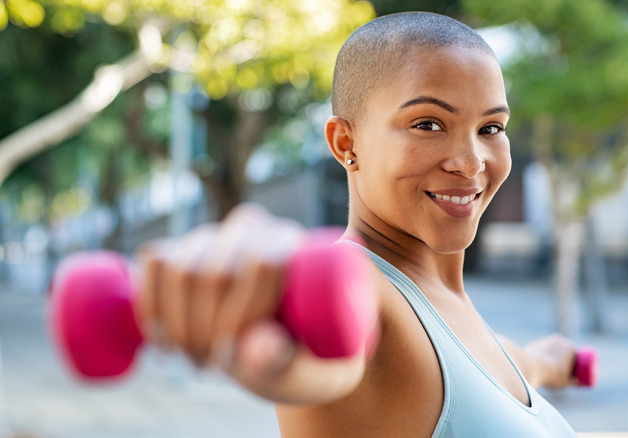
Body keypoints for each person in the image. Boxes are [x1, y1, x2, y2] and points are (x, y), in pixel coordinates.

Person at [137, 11, 580, 437]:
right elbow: (326, 347)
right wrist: (271, 306)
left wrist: (552, 363)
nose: (469, 163)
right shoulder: (362, 293)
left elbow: (494, 369)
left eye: (490, 128)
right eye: (428, 124)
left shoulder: (447, 305)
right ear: (346, 142)